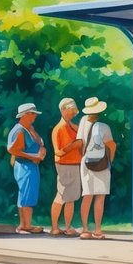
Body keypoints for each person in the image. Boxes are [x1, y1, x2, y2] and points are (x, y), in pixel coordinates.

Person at [76, 97, 117, 240]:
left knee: (87, 196)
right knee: (100, 197)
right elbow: (111, 145)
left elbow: (80, 143)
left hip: (86, 161)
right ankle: (98, 230)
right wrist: (110, 161)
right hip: (101, 163)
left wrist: (84, 155)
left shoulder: (82, 122)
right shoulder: (104, 127)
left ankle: (85, 229)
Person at [8, 102, 47, 234]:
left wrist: (41, 150)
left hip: (30, 166)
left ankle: (26, 224)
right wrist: (32, 157)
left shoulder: (29, 128)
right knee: (26, 194)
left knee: (28, 194)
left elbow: (39, 143)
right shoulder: (20, 130)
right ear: (24, 115)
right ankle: (24, 226)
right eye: (32, 114)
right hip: (24, 166)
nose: (35, 116)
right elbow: (12, 150)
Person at [49, 97, 82, 236]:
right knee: (62, 195)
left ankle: (67, 227)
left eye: (74, 112)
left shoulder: (72, 126)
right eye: (71, 111)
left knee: (70, 197)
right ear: (63, 110)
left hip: (74, 164)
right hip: (64, 165)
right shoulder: (59, 129)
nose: (73, 114)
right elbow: (58, 152)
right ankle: (55, 227)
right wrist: (73, 146)